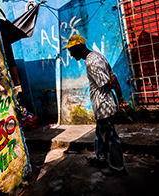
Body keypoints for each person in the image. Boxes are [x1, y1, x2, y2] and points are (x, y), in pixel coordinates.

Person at [63, 35, 129, 176]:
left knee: (110, 137)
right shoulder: (97, 56)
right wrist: (120, 98)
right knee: (100, 134)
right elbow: (113, 77)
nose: (71, 54)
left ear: (80, 47)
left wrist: (120, 98)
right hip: (102, 105)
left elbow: (109, 83)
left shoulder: (91, 62)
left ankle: (118, 167)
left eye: (72, 50)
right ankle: (101, 158)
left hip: (103, 105)